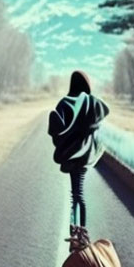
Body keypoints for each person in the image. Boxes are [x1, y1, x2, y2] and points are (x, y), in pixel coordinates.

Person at [47, 70, 110, 239]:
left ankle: (75, 231)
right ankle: (81, 231)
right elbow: (104, 112)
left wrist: (65, 143)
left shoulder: (63, 103)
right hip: (85, 157)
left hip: (69, 156)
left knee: (75, 194)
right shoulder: (92, 103)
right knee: (79, 193)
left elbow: (55, 129)